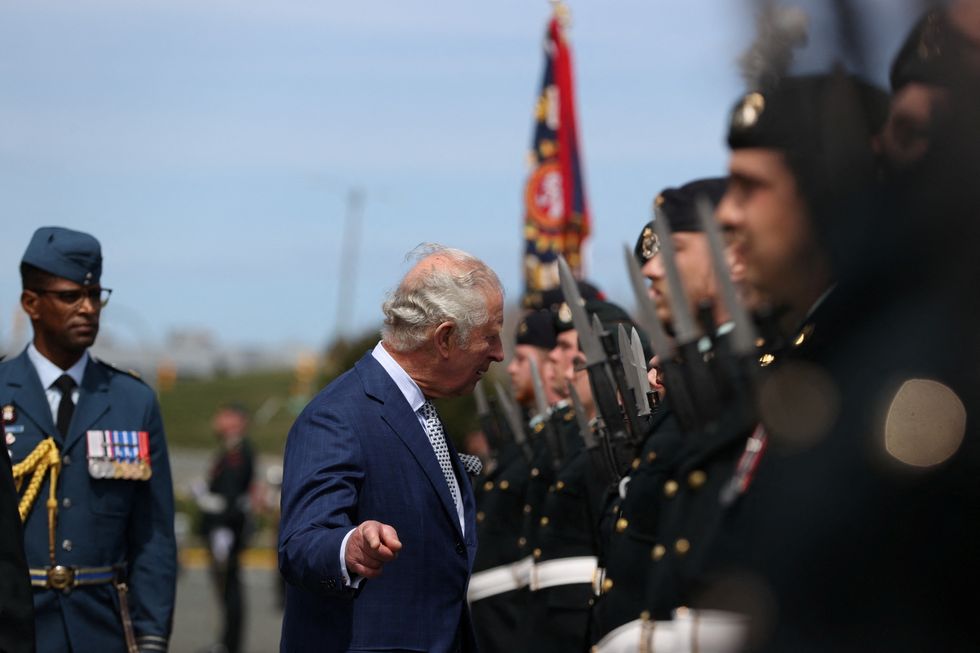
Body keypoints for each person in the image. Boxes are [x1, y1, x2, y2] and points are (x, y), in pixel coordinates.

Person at [278, 244, 504, 653]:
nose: (499, 353)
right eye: (489, 335)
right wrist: (351, 548)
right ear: (446, 338)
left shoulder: (419, 412)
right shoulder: (337, 416)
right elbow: (301, 542)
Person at [0, 226, 176, 652]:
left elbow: (153, 535)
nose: (88, 308)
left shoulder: (132, 401)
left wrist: (151, 638)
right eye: (70, 296)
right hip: (13, 628)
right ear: (31, 304)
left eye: (95, 295)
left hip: (101, 629)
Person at [196, 403, 255, 653]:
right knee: (224, 590)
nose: (217, 420)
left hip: (227, 529)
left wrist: (207, 502)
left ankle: (231, 644)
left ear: (236, 421)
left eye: (224, 416)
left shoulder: (238, 452)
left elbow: (232, 497)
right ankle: (226, 641)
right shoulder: (230, 449)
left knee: (229, 589)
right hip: (223, 528)